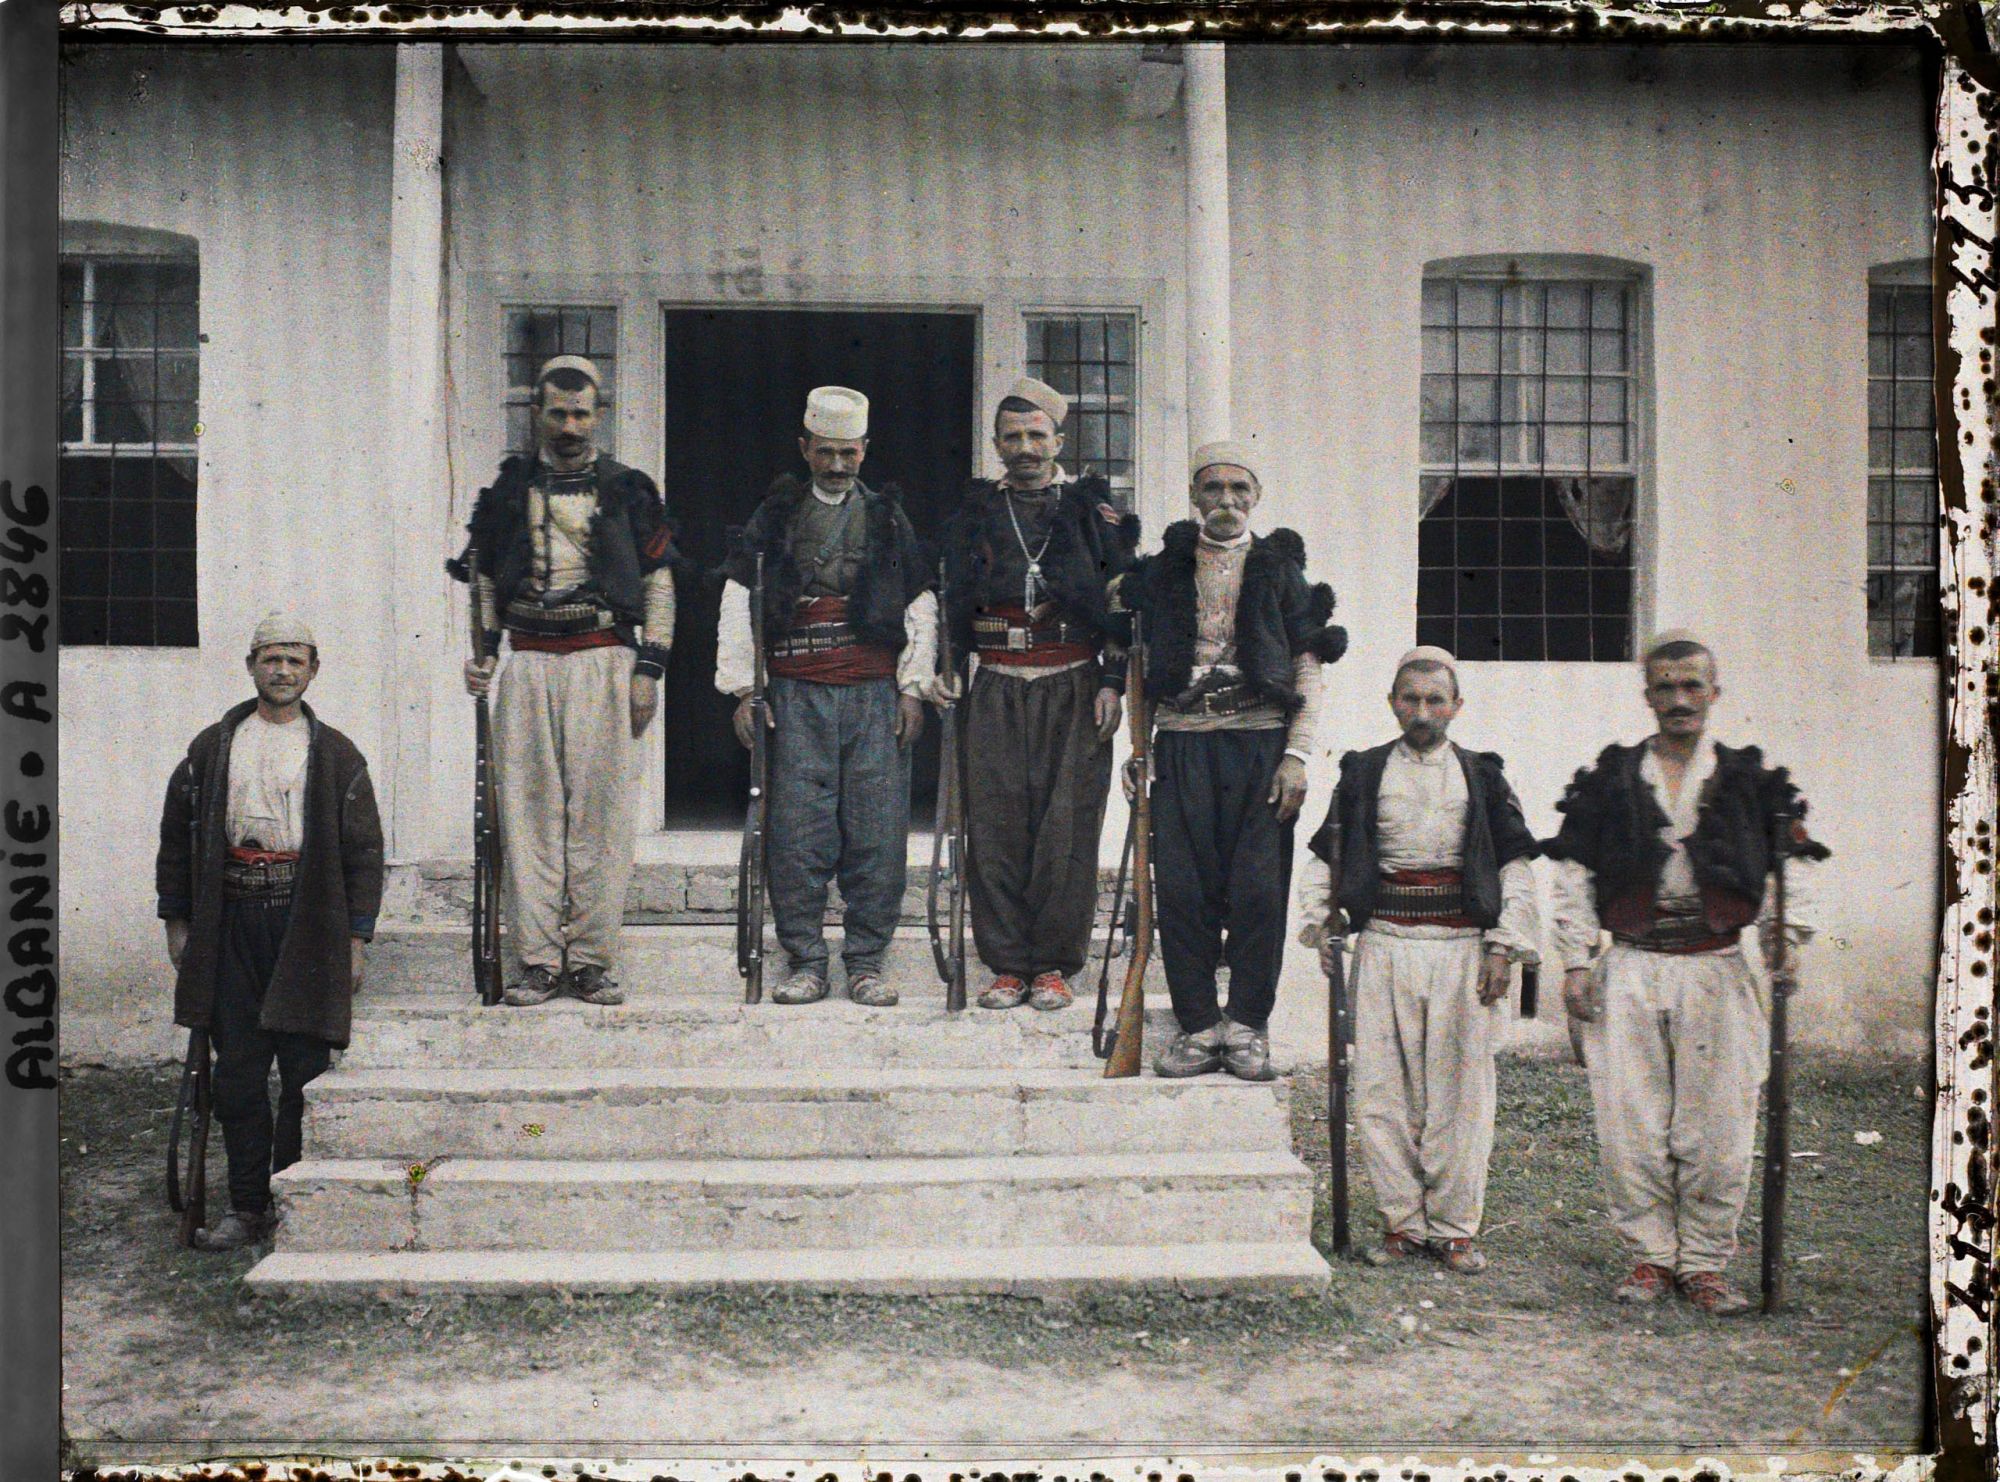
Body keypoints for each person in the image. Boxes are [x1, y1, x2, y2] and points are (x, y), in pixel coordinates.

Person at [1546, 630, 1825, 1315]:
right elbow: (1573, 874)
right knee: (1631, 1121)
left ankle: (1703, 1264)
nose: (1679, 700)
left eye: (1691, 686)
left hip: (1719, 968)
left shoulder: (1752, 782)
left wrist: (1786, 938)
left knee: (1720, 1125)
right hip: (1634, 967)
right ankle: (1649, 1258)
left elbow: (1793, 870)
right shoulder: (1612, 780)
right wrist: (1578, 960)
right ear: (1648, 696)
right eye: (1665, 687)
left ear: (1713, 694)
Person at [1296, 647, 1540, 1273]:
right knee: (1381, 1088)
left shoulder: (1483, 776)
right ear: (1393, 703)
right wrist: (1322, 923)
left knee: (1460, 1092)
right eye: (1411, 698)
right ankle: (1402, 1224)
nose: (1423, 710)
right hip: (1384, 943)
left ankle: (1455, 1228)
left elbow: (1514, 864)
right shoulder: (1364, 772)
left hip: (1461, 950)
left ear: (1457, 707)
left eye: (1436, 699)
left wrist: (1503, 944)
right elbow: (1328, 855)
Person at [1114, 440, 1346, 1080]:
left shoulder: (1279, 570)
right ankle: (1196, 1026)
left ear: (1256, 498)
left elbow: (1308, 664)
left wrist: (1298, 755)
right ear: (1195, 496)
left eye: (1238, 490)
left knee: (1257, 891)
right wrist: (1137, 752)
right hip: (1181, 745)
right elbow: (1134, 664)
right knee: (1182, 890)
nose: (1226, 502)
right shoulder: (1163, 572)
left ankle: (1247, 1026)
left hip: (1261, 746)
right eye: (1213, 489)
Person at [155, 611, 385, 1250]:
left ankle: (294, 1201)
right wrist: (179, 924)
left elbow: (363, 854)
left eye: (295, 660)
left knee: (305, 1072)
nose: (282, 671)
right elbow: (176, 844)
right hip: (230, 922)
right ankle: (247, 1206)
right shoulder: (212, 749)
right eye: (271, 659)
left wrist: (354, 939)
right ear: (251, 664)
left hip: (306, 923)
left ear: (313, 670)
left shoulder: (337, 755)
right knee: (237, 1076)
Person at [460, 354, 678, 1008]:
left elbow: (658, 583)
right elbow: (485, 580)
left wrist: (650, 667)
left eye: (582, 413)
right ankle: (534, 962)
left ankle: (590, 961)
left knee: (602, 819)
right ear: (538, 415)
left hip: (604, 662)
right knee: (526, 817)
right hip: (528, 666)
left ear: (598, 415)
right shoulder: (505, 491)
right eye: (558, 413)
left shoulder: (631, 490)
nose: (570, 426)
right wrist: (485, 654)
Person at [716, 386, 937, 1007]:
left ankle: (866, 961)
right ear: (805, 448)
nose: (838, 466)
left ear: (866, 451)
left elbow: (920, 602)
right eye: (827, 453)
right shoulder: (776, 515)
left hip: (872, 695)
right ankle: (806, 960)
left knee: (877, 830)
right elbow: (739, 600)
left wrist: (913, 688)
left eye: (850, 453)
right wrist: (743, 689)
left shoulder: (888, 516)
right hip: (794, 694)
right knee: (797, 830)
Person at [934, 376, 1139, 1011]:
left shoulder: (1093, 514)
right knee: (994, 826)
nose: (1025, 447)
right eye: (1012, 436)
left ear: (1058, 439)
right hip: (994, 684)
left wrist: (1112, 682)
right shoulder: (972, 514)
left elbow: (1123, 605)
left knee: (1066, 829)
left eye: (1036, 435)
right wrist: (947, 666)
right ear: (996, 444)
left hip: (1074, 685)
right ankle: (1006, 966)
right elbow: (946, 599)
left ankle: (1052, 965)